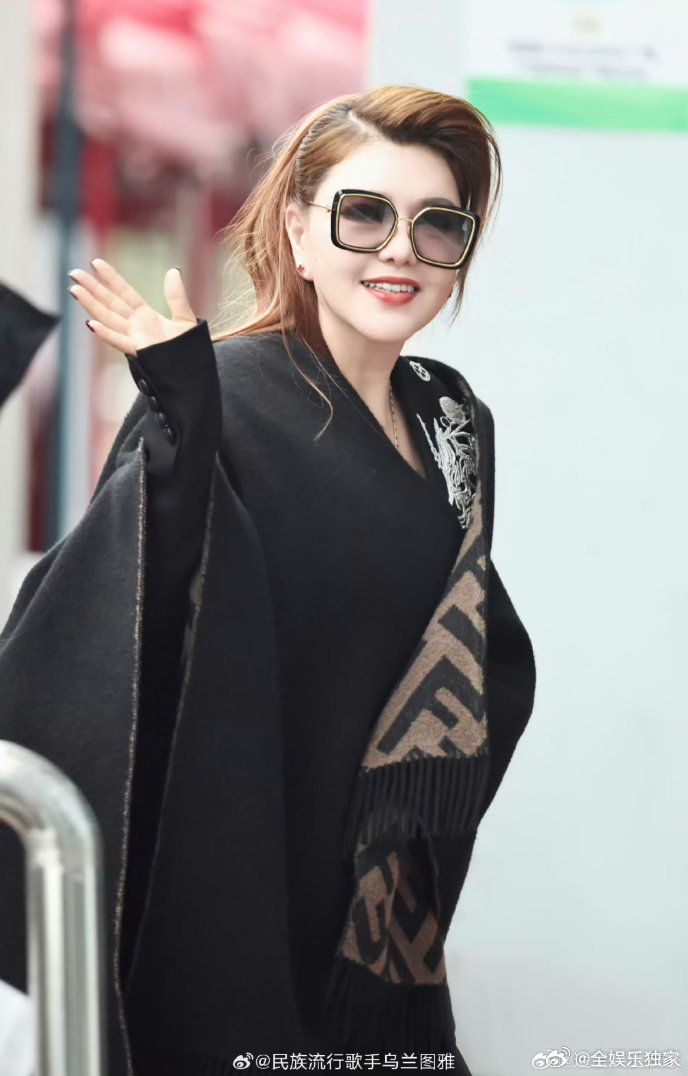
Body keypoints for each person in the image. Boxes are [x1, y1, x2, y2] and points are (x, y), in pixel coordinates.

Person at [0, 85, 537, 1075]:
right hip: (237, 876)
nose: (399, 250)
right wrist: (184, 420)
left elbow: (468, 643)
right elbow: (137, 616)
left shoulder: (453, 419)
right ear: (297, 230)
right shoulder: (224, 393)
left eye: (437, 224)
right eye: (363, 213)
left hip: (378, 904)